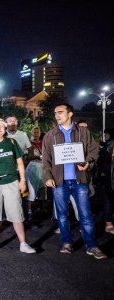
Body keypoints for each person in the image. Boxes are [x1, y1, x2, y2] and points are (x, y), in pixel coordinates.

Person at [42, 103, 107, 259]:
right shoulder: (50, 135)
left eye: (60, 112)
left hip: (80, 180)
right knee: (62, 215)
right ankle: (67, 242)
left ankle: (91, 246)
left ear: (70, 114)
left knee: (86, 214)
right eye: (55, 113)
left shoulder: (83, 132)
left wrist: (88, 163)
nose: (57, 115)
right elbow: (46, 160)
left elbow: (93, 150)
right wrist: (48, 177)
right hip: (59, 182)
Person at [0, 118, 36, 254]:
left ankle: (23, 243)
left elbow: (20, 162)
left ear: (5, 129)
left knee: (16, 213)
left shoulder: (11, 142)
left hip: (11, 182)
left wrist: (22, 180)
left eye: (2, 126)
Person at [97, 128, 114, 234]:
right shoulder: (107, 145)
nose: (105, 136)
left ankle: (108, 222)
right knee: (109, 199)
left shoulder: (109, 145)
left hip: (109, 176)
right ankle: (108, 222)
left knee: (109, 199)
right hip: (108, 176)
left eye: (106, 134)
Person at [25, 126, 43, 218]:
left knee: (41, 189)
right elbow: (27, 157)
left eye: (37, 132)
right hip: (32, 167)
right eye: (34, 132)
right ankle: (29, 210)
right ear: (31, 133)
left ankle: (40, 208)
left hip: (42, 167)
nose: (36, 134)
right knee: (31, 189)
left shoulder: (43, 142)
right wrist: (38, 157)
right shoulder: (29, 143)